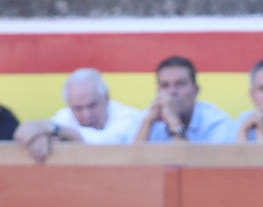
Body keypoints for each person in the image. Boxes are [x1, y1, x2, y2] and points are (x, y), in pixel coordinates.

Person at [13, 68, 142, 162]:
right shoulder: (65, 116)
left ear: (106, 97)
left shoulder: (129, 117)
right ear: (69, 105)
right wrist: (39, 137)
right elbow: (29, 132)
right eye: (78, 108)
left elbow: (105, 144)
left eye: (92, 105)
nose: (87, 114)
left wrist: (55, 130)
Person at [134, 55, 232, 142]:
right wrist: (147, 122)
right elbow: (132, 161)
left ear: (196, 90)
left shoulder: (217, 123)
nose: (172, 92)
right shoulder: (147, 118)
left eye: (180, 84)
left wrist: (174, 122)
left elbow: (187, 162)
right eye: (165, 85)